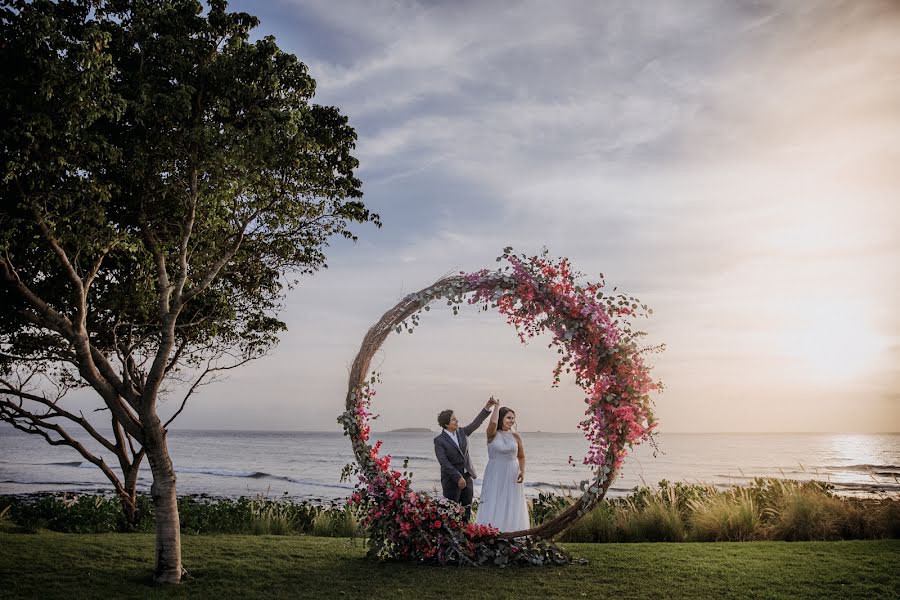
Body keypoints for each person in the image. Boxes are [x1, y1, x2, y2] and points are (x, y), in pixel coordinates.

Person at [433, 397, 498, 522]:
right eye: (453, 419)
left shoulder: (462, 432)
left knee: (466, 512)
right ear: (447, 424)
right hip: (451, 481)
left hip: (467, 478)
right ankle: (452, 540)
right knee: (451, 514)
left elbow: (476, 423)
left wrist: (487, 407)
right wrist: (458, 477)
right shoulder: (439, 441)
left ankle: (466, 539)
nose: (457, 420)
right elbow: (444, 462)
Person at [474, 399, 530, 532]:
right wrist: (497, 406)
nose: (511, 420)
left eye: (513, 418)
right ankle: (490, 531)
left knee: (511, 502)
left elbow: (521, 456)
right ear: (501, 418)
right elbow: (493, 422)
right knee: (493, 500)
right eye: (508, 417)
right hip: (495, 472)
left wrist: (522, 471)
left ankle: (511, 532)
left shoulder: (516, 437)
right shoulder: (492, 435)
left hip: (512, 472)